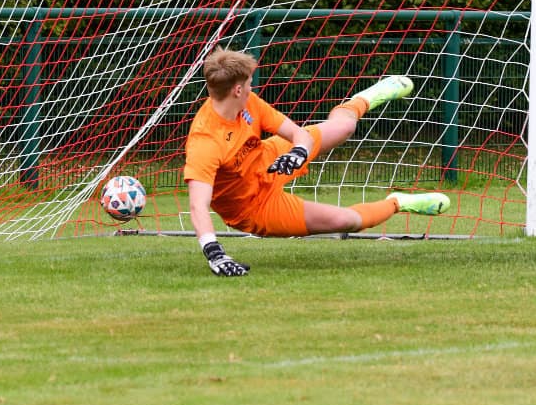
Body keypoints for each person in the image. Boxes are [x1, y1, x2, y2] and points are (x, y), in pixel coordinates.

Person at [183, 47, 451, 277]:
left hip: (270, 157)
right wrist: (215, 253)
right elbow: (198, 205)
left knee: (345, 127)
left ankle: (363, 99)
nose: (252, 89)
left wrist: (298, 152)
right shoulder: (205, 141)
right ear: (237, 90)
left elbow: (297, 133)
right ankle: (397, 202)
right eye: (249, 84)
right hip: (254, 207)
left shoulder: (249, 102)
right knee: (347, 220)